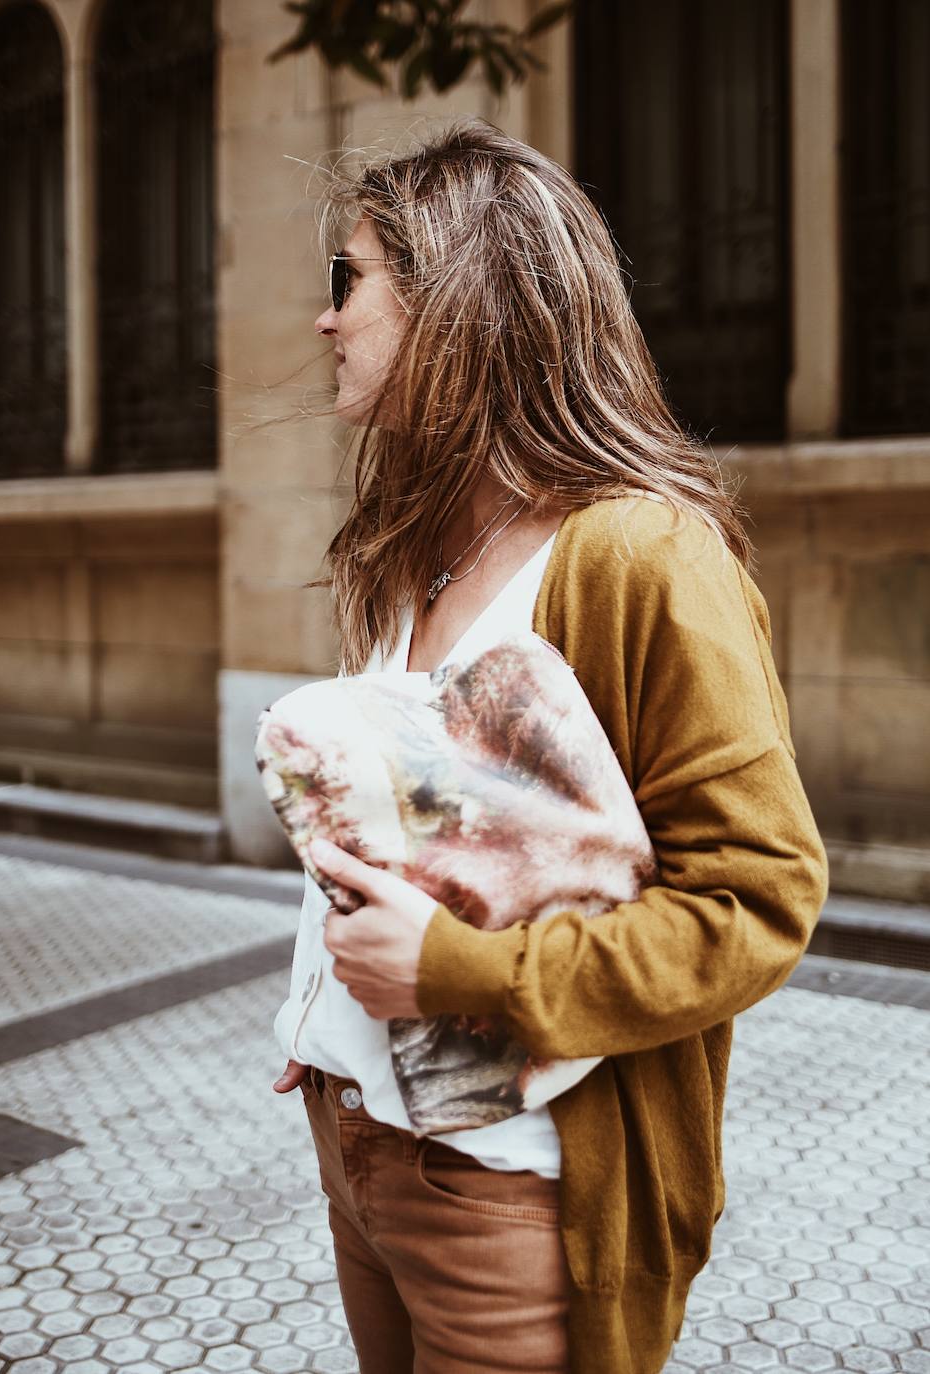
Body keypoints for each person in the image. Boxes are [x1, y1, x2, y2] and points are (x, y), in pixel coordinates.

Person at [270, 118, 827, 1374]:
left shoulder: (641, 555)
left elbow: (759, 900)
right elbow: (449, 857)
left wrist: (467, 976)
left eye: (348, 280)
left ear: (454, 300)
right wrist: (321, 1028)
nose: (326, 321)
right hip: (361, 1146)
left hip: (516, 1193)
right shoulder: (412, 551)